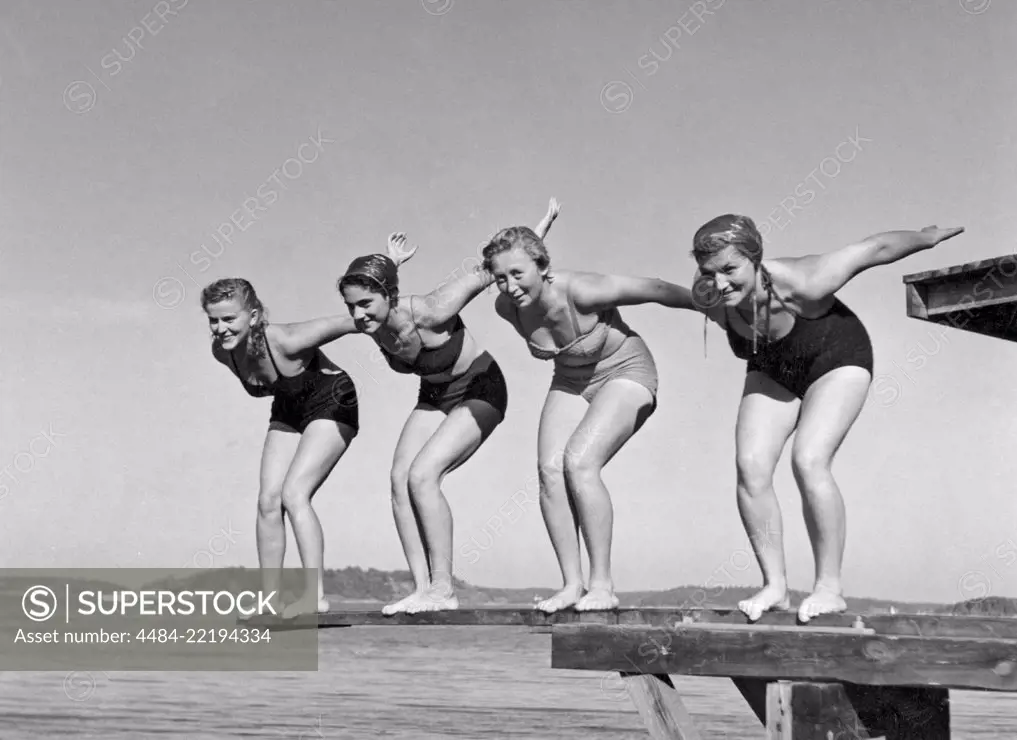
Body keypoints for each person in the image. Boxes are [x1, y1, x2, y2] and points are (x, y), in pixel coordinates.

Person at [689, 215, 964, 622]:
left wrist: (926, 238)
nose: (720, 283)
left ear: (755, 258)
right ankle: (776, 587)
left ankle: (829, 588)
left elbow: (875, 247)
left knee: (809, 459)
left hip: (836, 355)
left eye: (730, 270)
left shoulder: (805, 280)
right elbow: (661, 294)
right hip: (773, 366)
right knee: (750, 467)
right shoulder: (708, 296)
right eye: (709, 273)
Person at [337, 203, 560, 615]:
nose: (358, 314)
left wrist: (538, 230)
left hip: (481, 385)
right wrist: (390, 260)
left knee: (423, 475)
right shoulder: (373, 321)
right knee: (399, 478)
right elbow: (375, 284)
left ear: (388, 295)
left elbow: (490, 268)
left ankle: (444, 588)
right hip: (435, 395)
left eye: (366, 303)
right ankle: (422, 589)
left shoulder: (433, 308)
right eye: (352, 306)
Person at [481, 206, 696, 612]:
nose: (509, 286)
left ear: (544, 266)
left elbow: (654, 288)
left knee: (579, 463)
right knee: (548, 471)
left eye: (518, 274)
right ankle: (571, 585)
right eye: (500, 278)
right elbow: (504, 267)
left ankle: (602, 585)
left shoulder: (582, 290)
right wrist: (531, 235)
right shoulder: (506, 307)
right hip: (571, 379)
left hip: (626, 371)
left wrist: (708, 306)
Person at [202, 238, 414, 618]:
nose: (220, 328)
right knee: (267, 501)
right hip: (289, 406)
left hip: (332, 397)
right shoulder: (222, 351)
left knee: (294, 494)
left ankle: (313, 596)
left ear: (253, 316)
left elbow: (361, 318)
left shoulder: (288, 338)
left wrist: (389, 269)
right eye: (213, 320)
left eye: (228, 319)